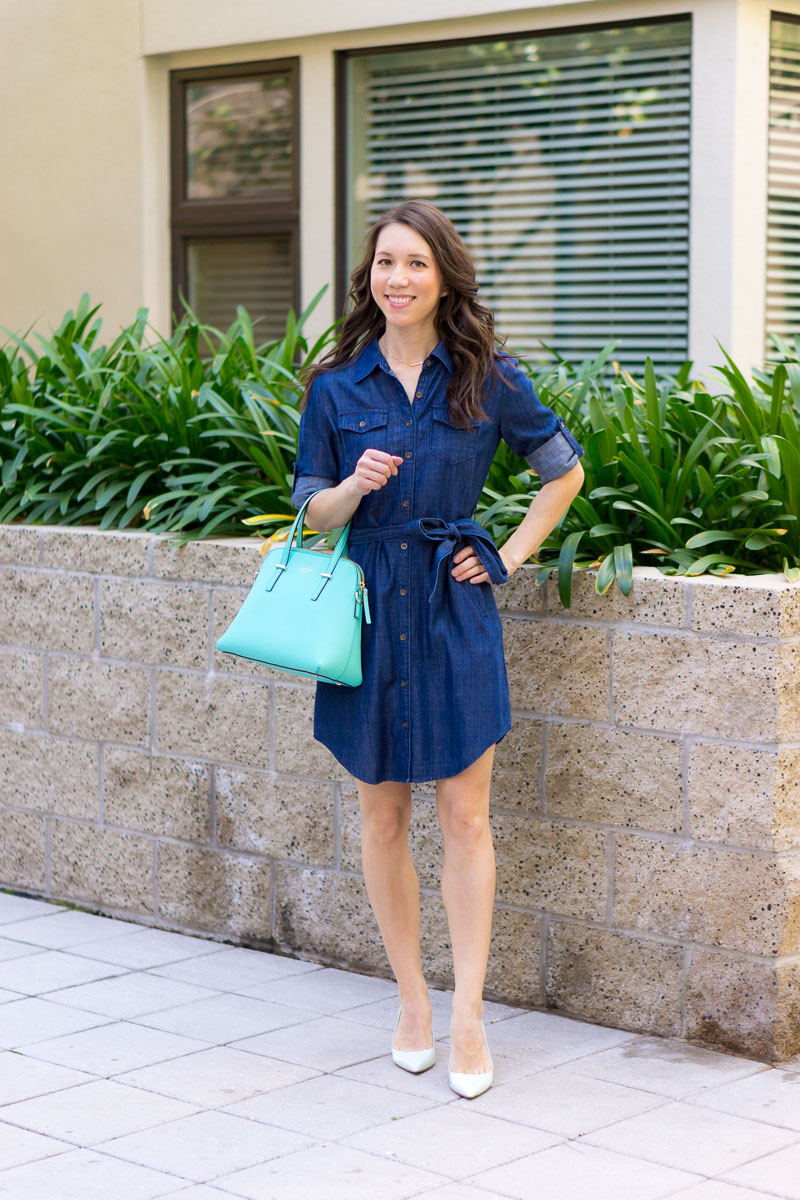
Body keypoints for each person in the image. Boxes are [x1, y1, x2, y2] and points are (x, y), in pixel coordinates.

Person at [290, 200, 585, 1099]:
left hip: (455, 614)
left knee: (466, 818)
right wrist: (350, 485)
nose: (400, 278)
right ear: (368, 277)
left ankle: (469, 1015)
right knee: (382, 817)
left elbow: (562, 471)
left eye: (417, 263)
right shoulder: (337, 385)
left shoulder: (487, 375)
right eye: (386, 263)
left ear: (443, 276)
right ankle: (413, 1002)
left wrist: (505, 556)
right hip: (370, 615)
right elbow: (310, 517)